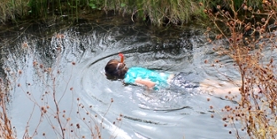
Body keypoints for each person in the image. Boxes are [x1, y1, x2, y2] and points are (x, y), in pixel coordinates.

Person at [104, 53, 242, 97]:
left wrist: (148, 96)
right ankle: (243, 82)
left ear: (115, 76)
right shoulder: (133, 69)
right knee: (213, 83)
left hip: (174, 84)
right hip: (175, 76)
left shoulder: (130, 79)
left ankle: (249, 90)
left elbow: (150, 84)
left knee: (211, 91)